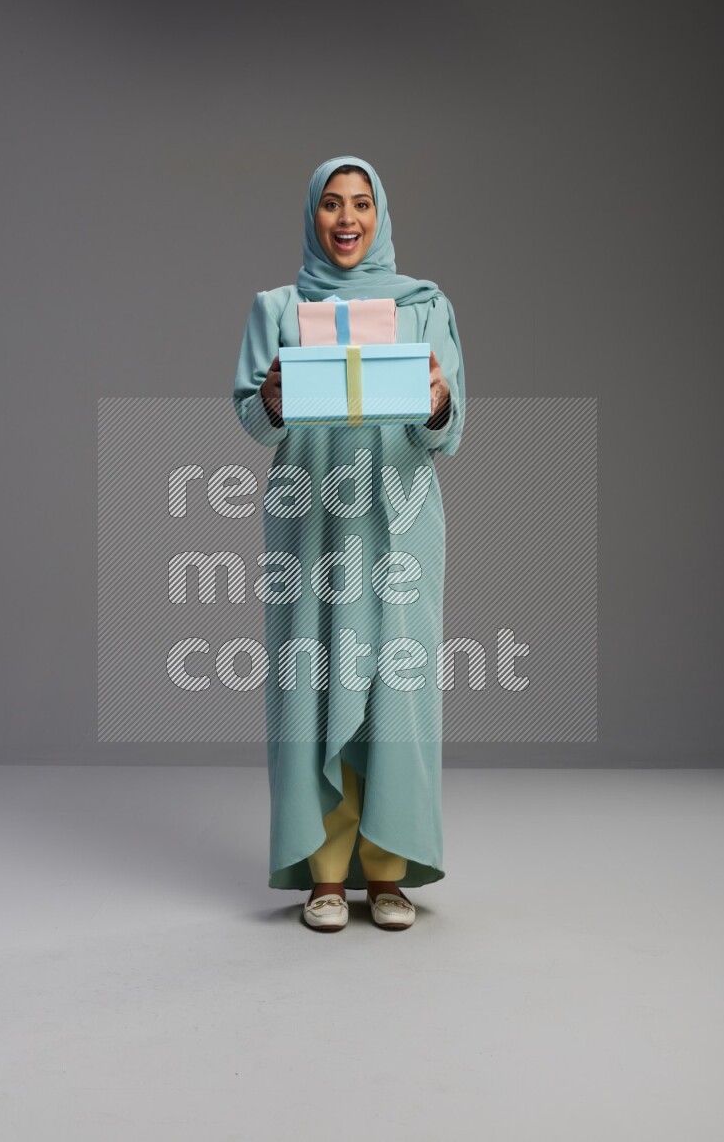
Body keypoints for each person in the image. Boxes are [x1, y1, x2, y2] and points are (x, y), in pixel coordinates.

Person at [232, 155, 465, 932]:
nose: (345, 219)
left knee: (395, 692)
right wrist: (269, 394)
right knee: (314, 684)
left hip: (396, 521)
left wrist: (436, 401)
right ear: (313, 215)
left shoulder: (423, 305)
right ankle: (326, 876)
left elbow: (449, 429)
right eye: (331, 204)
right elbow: (253, 417)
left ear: (380, 214)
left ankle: (388, 870)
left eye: (361, 204)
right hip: (312, 519)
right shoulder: (278, 307)